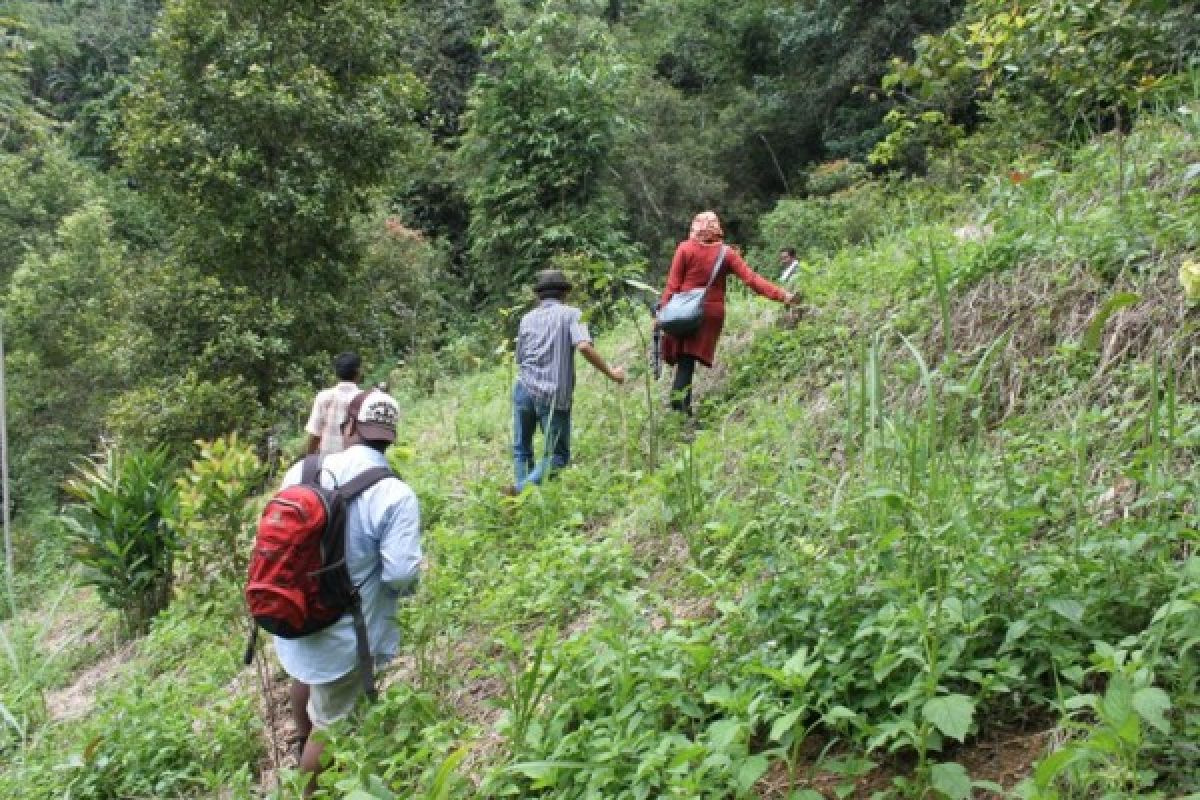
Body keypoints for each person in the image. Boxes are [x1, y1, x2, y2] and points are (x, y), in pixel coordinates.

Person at [277, 388, 421, 793]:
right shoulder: (395, 494)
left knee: (304, 676)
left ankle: (299, 743)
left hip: (290, 610)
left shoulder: (302, 471)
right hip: (343, 631)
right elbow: (400, 575)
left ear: (349, 426)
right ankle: (306, 787)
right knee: (331, 723)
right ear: (391, 437)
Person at [658, 211, 797, 415]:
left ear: (696, 227)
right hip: (710, 314)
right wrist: (782, 295)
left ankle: (680, 410)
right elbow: (752, 279)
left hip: (684, 310)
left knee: (685, 362)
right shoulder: (726, 253)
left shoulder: (685, 249)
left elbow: (672, 286)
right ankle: (683, 409)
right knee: (687, 362)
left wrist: (661, 313)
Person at [510, 269, 626, 492]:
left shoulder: (526, 319)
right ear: (565, 293)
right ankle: (520, 491)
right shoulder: (572, 314)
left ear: (539, 296)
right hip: (553, 393)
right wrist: (611, 373)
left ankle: (521, 501)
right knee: (557, 456)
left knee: (522, 448)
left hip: (523, 388)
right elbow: (583, 345)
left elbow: (520, 357)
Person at [305, 352, 362, 455]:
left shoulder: (324, 396)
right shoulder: (364, 398)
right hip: (354, 462)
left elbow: (315, 434)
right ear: (358, 372)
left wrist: (308, 458)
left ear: (337, 373)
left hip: (327, 462)